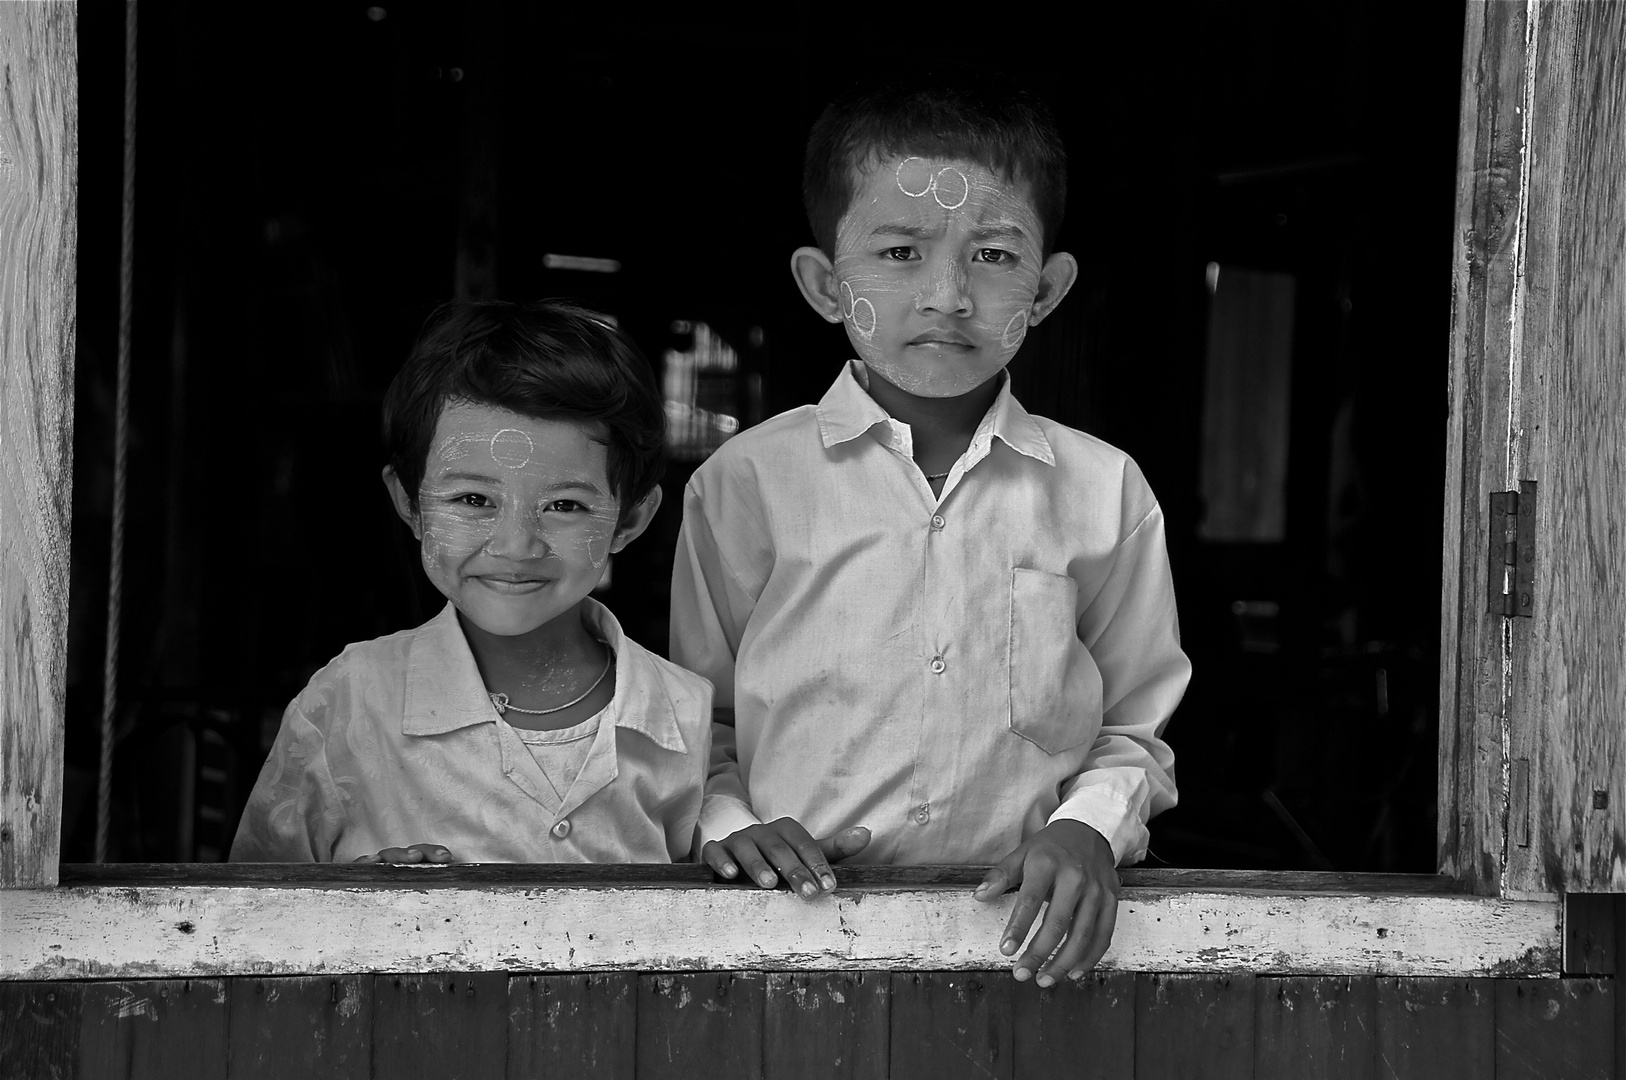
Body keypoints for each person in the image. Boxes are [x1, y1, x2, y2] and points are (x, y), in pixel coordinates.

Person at [670, 81, 1190, 984]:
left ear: (1049, 288)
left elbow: (1133, 729)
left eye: (993, 255)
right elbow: (695, 722)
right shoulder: (747, 484)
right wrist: (731, 825)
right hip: (785, 945)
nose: (947, 296)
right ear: (826, 285)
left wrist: (1088, 827)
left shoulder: (1105, 491)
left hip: (1020, 946)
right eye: (901, 252)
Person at [232, 299, 710, 864]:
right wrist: (352, 904)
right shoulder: (348, 704)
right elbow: (248, 914)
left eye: (564, 505)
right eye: (473, 500)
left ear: (629, 520)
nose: (515, 545)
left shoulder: (684, 713)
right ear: (410, 504)